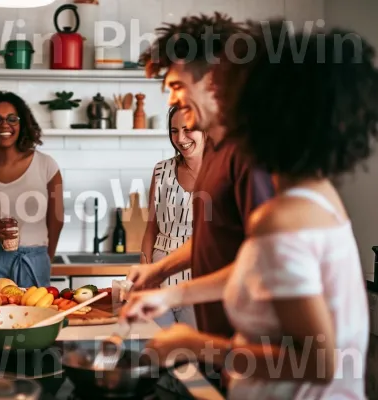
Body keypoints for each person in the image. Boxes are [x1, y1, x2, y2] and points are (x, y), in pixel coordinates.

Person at [123, 22, 376, 399]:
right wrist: (172, 295)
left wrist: (195, 344)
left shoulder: (282, 218)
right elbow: (259, 269)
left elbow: (319, 363)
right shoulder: (319, 196)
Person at [125, 13, 275, 392]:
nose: (173, 97)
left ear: (213, 79)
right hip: (236, 362)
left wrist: (206, 347)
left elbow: (263, 264)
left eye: (177, 85)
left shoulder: (250, 158)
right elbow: (217, 238)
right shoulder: (217, 155)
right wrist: (160, 273)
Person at [0, 90, 64, 288]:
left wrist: (44, 257)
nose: (5, 125)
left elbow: (56, 220)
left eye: (12, 118)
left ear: (22, 123)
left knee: (37, 317)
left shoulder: (46, 165)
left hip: (34, 262)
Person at [140, 106, 204, 329]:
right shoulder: (161, 170)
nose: (180, 138)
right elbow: (151, 228)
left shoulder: (222, 172)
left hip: (201, 279)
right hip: (161, 273)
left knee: (196, 354)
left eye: (188, 129)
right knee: (160, 350)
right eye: (174, 130)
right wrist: (146, 272)